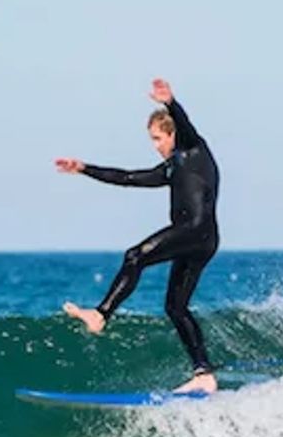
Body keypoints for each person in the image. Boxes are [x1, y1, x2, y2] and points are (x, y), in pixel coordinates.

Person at [55, 78, 221, 394]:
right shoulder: (171, 168)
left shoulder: (194, 148)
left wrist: (170, 102)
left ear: (172, 134)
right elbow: (128, 177)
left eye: (158, 138)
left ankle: (101, 314)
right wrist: (84, 168)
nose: (155, 145)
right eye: (152, 139)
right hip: (202, 240)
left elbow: (184, 123)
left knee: (135, 256)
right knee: (175, 307)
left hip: (195, 230)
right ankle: (204, 373)